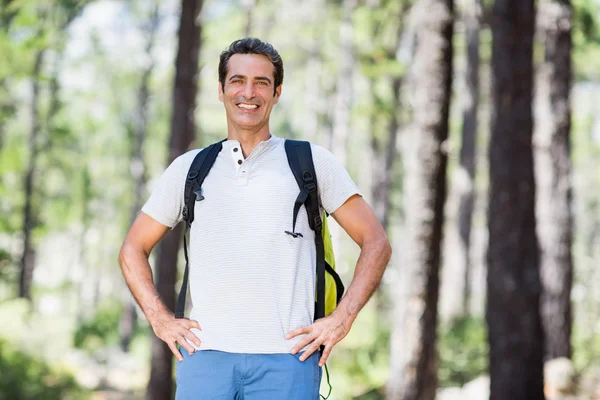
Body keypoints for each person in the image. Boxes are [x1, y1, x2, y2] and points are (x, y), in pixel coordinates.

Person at [118, 37, 392, 400]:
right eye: (237, 80)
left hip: (288, 360)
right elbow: (132, 248)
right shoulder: (189, 169)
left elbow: (377, 243)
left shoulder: (312, 163)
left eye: (262, 82)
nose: (249, 92)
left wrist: (342, 319)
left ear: (277, 92)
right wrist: (159, 318)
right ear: (221, 90)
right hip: (205, 357)